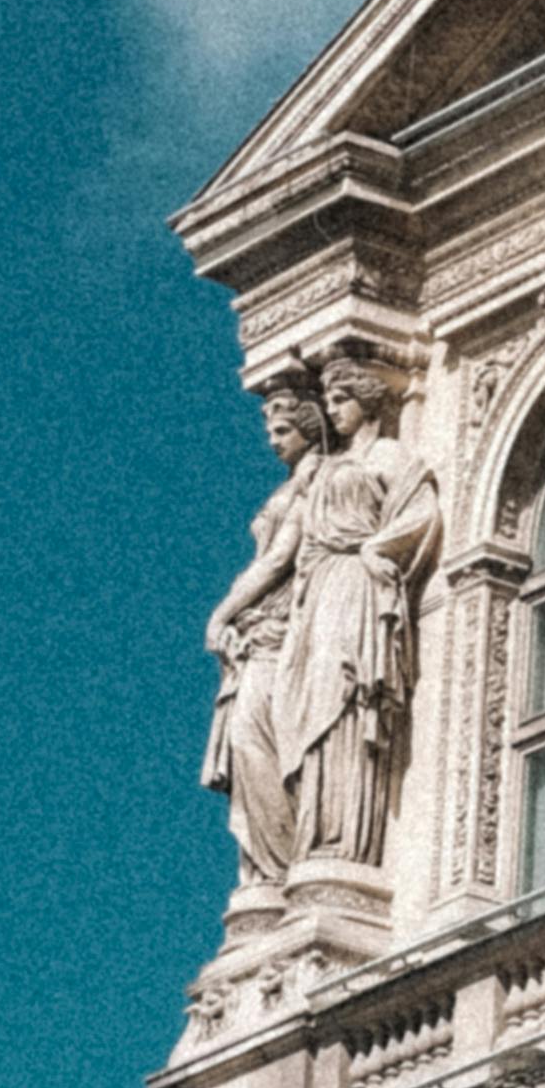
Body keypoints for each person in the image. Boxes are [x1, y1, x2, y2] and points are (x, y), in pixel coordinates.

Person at [268, 338, 437, 876]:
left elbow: (422, 512)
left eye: (342, 398)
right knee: (314, 696)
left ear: (366, 401)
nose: (333, 409)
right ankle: (320, 832)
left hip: (359, 585)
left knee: (348, 696)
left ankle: (349, 839)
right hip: (320, 591)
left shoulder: (387, 455)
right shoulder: (325, 468)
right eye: (331, 400)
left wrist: (376, 548)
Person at [197, 360, 327, 886]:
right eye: (270, 430)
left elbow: (276, 561)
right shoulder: (294, 483)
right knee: (253, 746)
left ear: (309, 428)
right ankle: (270, 871)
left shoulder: (312, 483)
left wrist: (220, 613)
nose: (273, 441)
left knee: (259, 743)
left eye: (282, 430)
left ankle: (280, 866)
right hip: (259, 635)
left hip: (278, 634)